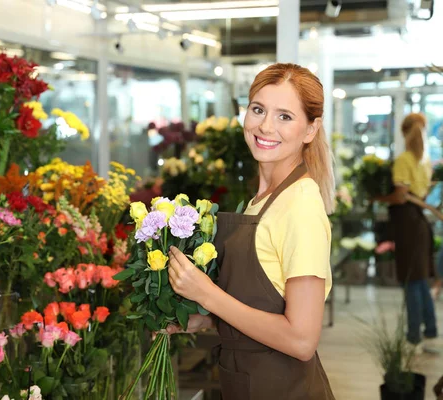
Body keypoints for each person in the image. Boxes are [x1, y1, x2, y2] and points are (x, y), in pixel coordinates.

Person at [166, 63, 335, 400]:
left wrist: (207, 295)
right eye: (258, 110)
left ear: (310, 130)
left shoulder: (300, 206)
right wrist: (202, 320)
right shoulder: (263, 200)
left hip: (284, 388)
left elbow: (301, 340)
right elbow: (264, 307)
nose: (265, 126)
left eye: (285, 116)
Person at [376, 113, 439, 353]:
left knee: (412, 281)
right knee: (420, 280)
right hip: (420, 223)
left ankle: (414, 337)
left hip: (407, 226)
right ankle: (430, 331)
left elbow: (400, 196)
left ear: (404, 132)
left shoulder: (404, 159)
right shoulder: (424, 159)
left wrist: (378, 197)